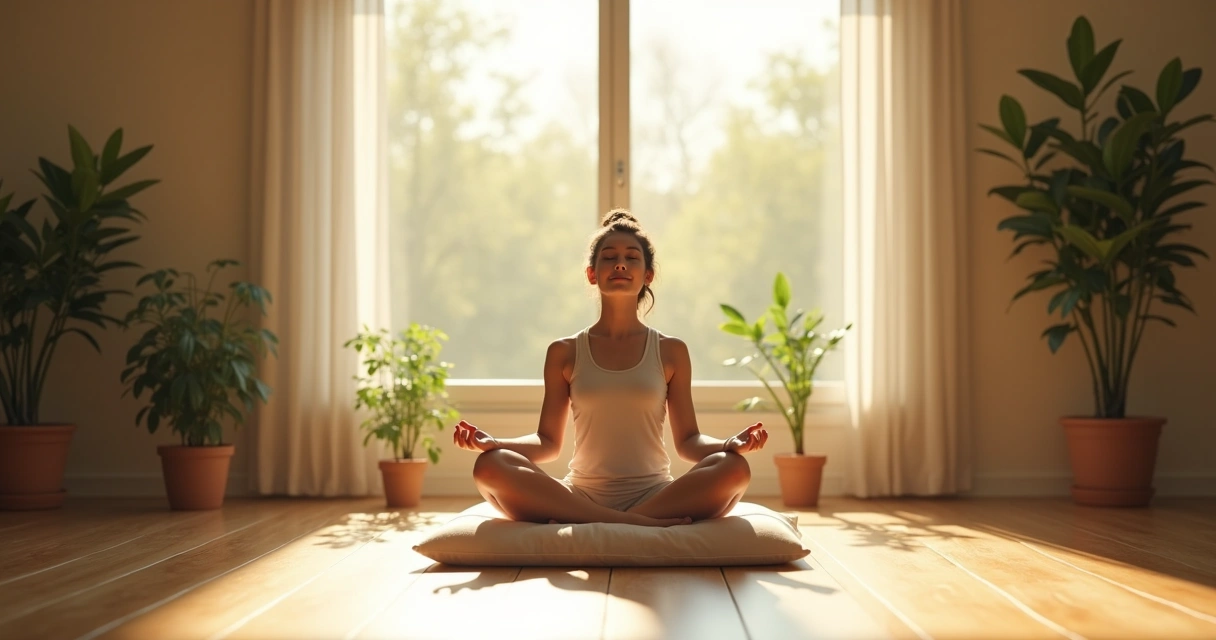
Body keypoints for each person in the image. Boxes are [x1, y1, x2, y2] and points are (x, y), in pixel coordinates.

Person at [452, 209, 768, 527]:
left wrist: (730, 444)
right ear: (592, 273)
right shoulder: (564, 352)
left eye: (632, 258)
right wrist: (496, 444)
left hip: (657, 496)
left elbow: (688, 442)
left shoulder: (671, 351)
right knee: (489, 465)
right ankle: (631, 523)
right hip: (581, 495)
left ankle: (603, 522)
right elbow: (548, 443)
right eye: (609, 257)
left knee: (734, 468)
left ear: (648, 275)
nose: (620, 264)